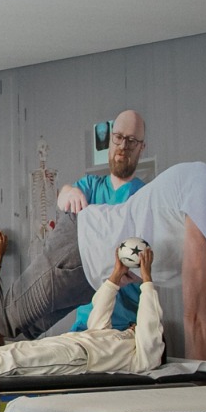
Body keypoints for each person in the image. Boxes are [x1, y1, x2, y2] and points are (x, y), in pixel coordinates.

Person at [0, 123, 206, 360]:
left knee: (16, 337)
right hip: (79, 246)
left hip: (95, 277)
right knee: (1, 324)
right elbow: (194, 316)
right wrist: (201, 411)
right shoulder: (205, 188)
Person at [0, 245, 162, 377]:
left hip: (76, 356)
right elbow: (100, 312)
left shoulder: (142, 358)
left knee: (15, 360)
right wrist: (116, 274)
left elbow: (150, 325)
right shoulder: (113, 337)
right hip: (68, 344)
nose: (134, 325)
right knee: (14, 350)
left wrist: (147, 279)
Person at [58, 109, 148, 333]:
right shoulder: (91, 187)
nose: (123, 146)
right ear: (110, 140)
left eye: (131, 140)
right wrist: (69, 192)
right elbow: (63, 198)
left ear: (141, 147)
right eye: (118, 137)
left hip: (126, 323)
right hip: (87, 320)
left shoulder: (146, 196)